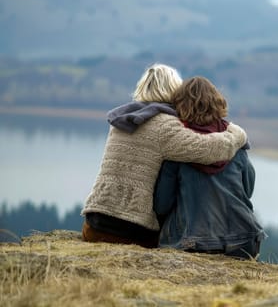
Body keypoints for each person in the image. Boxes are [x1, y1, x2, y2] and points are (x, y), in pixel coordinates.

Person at [81, 64, 248, 248]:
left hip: (93, 225)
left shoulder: (122, 120)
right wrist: (236, 134)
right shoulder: (165, 126)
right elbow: (209, 150)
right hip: (128, 230)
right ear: (173, 90)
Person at [154, 76, 265, 259]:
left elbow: (161, 205)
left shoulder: (178, 149)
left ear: (179, 106)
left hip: (192, 243)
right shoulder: (235, 144)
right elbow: (247, 191)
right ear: (217, 103)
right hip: (245, 240)